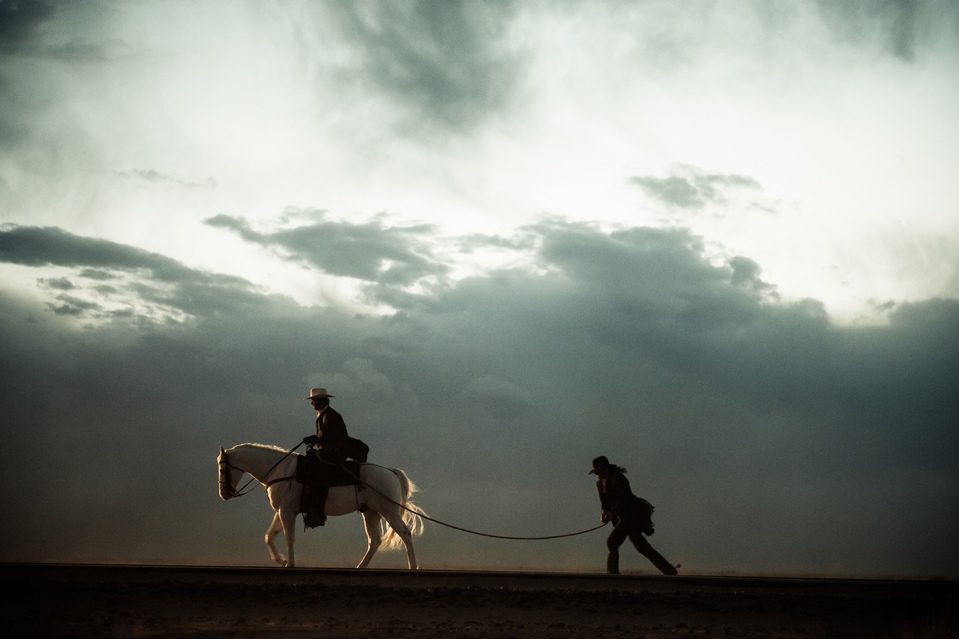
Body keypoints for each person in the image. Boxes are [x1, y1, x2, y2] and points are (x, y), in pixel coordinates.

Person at [590, 455, 678, 575]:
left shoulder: (619, 479)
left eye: (598, 471)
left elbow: (624, 500)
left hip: (631, 515)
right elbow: (605, 503)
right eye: (595, 472)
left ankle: (612, 573)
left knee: (612, 542)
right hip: (622, 517)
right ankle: (668, 569)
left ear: (605, 468)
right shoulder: (599, 483)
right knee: (641, 546)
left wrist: (612, 513)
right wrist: (604, 513)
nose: (597, 474)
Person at [301, 387, 350, 527]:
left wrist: (316, 440)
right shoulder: (324, 415)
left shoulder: (331, 416)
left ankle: (318, 511)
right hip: (328, 451)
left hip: (335, 454)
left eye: (314, 401)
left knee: (316, 473)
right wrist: (316, 441)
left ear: (322, 401)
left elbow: (334, 438)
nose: (312, 404)